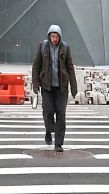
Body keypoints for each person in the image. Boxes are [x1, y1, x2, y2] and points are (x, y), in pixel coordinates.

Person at [31, 24, 77, 152]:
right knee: (48, 111)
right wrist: (35, 84)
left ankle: (58, 144)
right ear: (49, 36)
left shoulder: (65, 48)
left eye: (57, 36)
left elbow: (70, 68)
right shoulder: (42, 47)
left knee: (61, 114)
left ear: (60, 37)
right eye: (52, 36)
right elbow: (36, 66)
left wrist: (74, 86)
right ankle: (49, 129)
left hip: (62, 87)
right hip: (47, 87)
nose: (55, 39)